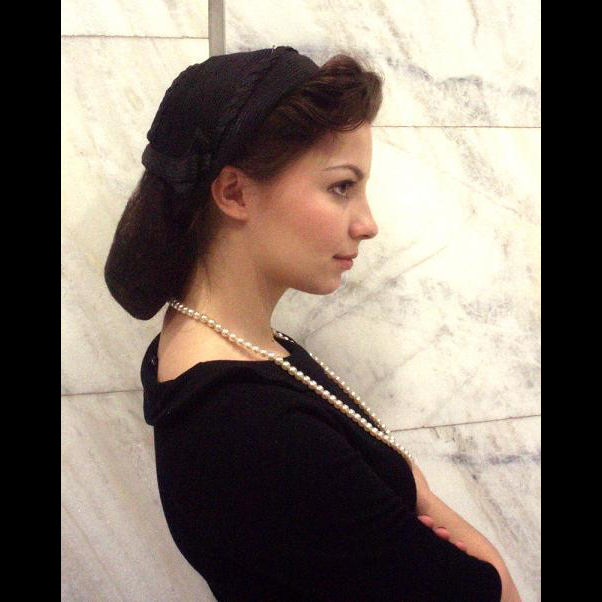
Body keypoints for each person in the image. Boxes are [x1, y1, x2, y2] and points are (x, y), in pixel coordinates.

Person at [104, 46, 521, 601]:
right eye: (341, 186)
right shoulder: (251, 425)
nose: (367, 224)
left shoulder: (223, 351)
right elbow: (492, 593)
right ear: (234, 192)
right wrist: (419, 494)